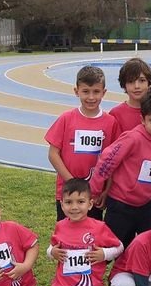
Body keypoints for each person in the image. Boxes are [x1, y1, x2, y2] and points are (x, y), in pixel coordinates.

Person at [90, 92, 151, 246]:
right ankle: (94, 270)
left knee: (148, 246)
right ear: (142, 120)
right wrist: (94, 191)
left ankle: (136, 270)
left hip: (146, 206)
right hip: (120, 204)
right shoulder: (133, 138)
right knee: (111, 247)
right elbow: (107, 160)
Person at [46, 178, 123, 286]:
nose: (74, 207)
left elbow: (119, 247)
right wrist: (51, 252)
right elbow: (52, 247)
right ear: (62, 205)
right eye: (68, 202)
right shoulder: (60, 226)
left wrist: (104, 254)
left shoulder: (98, 227)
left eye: (80, 202)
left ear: (90, 204)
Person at [44, 65, 118, 221]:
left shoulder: (111, 123)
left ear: (104, 93)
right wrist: (71, 182)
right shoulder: (66, 118)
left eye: (96, 92)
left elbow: (113, 161)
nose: (91, 97)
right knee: (66, 235)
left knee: (91, 236)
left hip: (94, 193)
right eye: (85, 91)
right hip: (68, 192)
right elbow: (53, 154)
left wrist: (107, 189)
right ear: (76, 91)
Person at [108, 58, 151, 136]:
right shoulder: (116, 114)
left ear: (149, 83)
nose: (137, 86)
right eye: (131, 81)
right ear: (124, 85)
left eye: (142, 80)